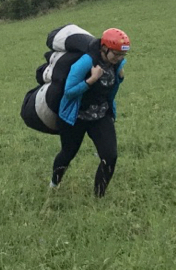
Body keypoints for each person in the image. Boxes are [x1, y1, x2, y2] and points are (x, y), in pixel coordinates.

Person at [50, 28, 129, 197]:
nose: (119, 59)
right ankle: (54, 185)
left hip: (100, 115)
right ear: (104, 49)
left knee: (110, 155)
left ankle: (99, 196)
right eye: (115, 54)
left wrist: (120, 78)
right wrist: (91, 80)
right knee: (67, 154)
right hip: (75, 117)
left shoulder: (116, 64)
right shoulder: (86, 62)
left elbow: (110, 88)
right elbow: (69, 91)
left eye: (122, 55)